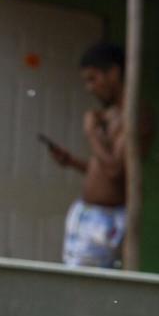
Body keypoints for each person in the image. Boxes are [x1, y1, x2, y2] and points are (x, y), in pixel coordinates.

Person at [44, 42, 134, 268]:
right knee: (75, 283)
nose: (89, 87)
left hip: (105, 220)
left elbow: (116, 171)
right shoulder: (110, 115)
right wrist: (72, 162)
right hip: (86, 215)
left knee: (84, 290)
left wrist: (91, 133)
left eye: (93, 79)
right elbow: (105, 170)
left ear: (113, 73)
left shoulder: (134, 117)